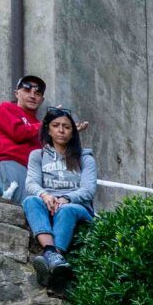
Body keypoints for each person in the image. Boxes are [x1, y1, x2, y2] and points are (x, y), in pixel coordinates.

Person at [22, 107, 96, 287]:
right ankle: (52, 255)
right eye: (56, 125)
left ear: (73, 132)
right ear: (48, 130)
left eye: (66, 127)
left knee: (66, 210)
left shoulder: (85, 158)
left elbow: (88, 189)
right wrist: (45, 195)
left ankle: (54, 254)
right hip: (47, 202)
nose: (61, 130)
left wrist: (66, 198)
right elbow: (31, 183)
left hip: (77, 207)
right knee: (30, 200)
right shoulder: (38, 155)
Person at [0, 75, 46, 202]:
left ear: (42, 100)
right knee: (12, 209)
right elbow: (18, 133)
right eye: (27, 90)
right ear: (17, 93)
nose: (32, 96)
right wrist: (48, 124)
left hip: (34, 174)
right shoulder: (6, 108)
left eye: (37, 93)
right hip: (10, 165)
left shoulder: (40, 124)